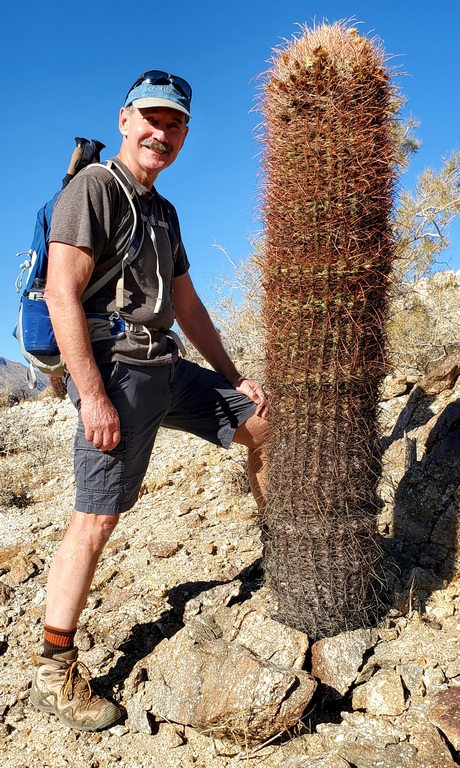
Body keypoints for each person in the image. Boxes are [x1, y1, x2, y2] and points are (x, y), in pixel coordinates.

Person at [30, 70, 268, 732]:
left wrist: (233, 374)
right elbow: (60, 292)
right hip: (116, 373)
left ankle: (285, 549)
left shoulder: (163, 211)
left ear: (184, 135)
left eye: (175, 124)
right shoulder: (92, 191)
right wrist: (93, 395)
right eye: (152, 119)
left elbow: (187, 304)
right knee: (97, 518)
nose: (162, 133)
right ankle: (55, 667)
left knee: (262, 426)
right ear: (126, 120)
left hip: (167, 366)